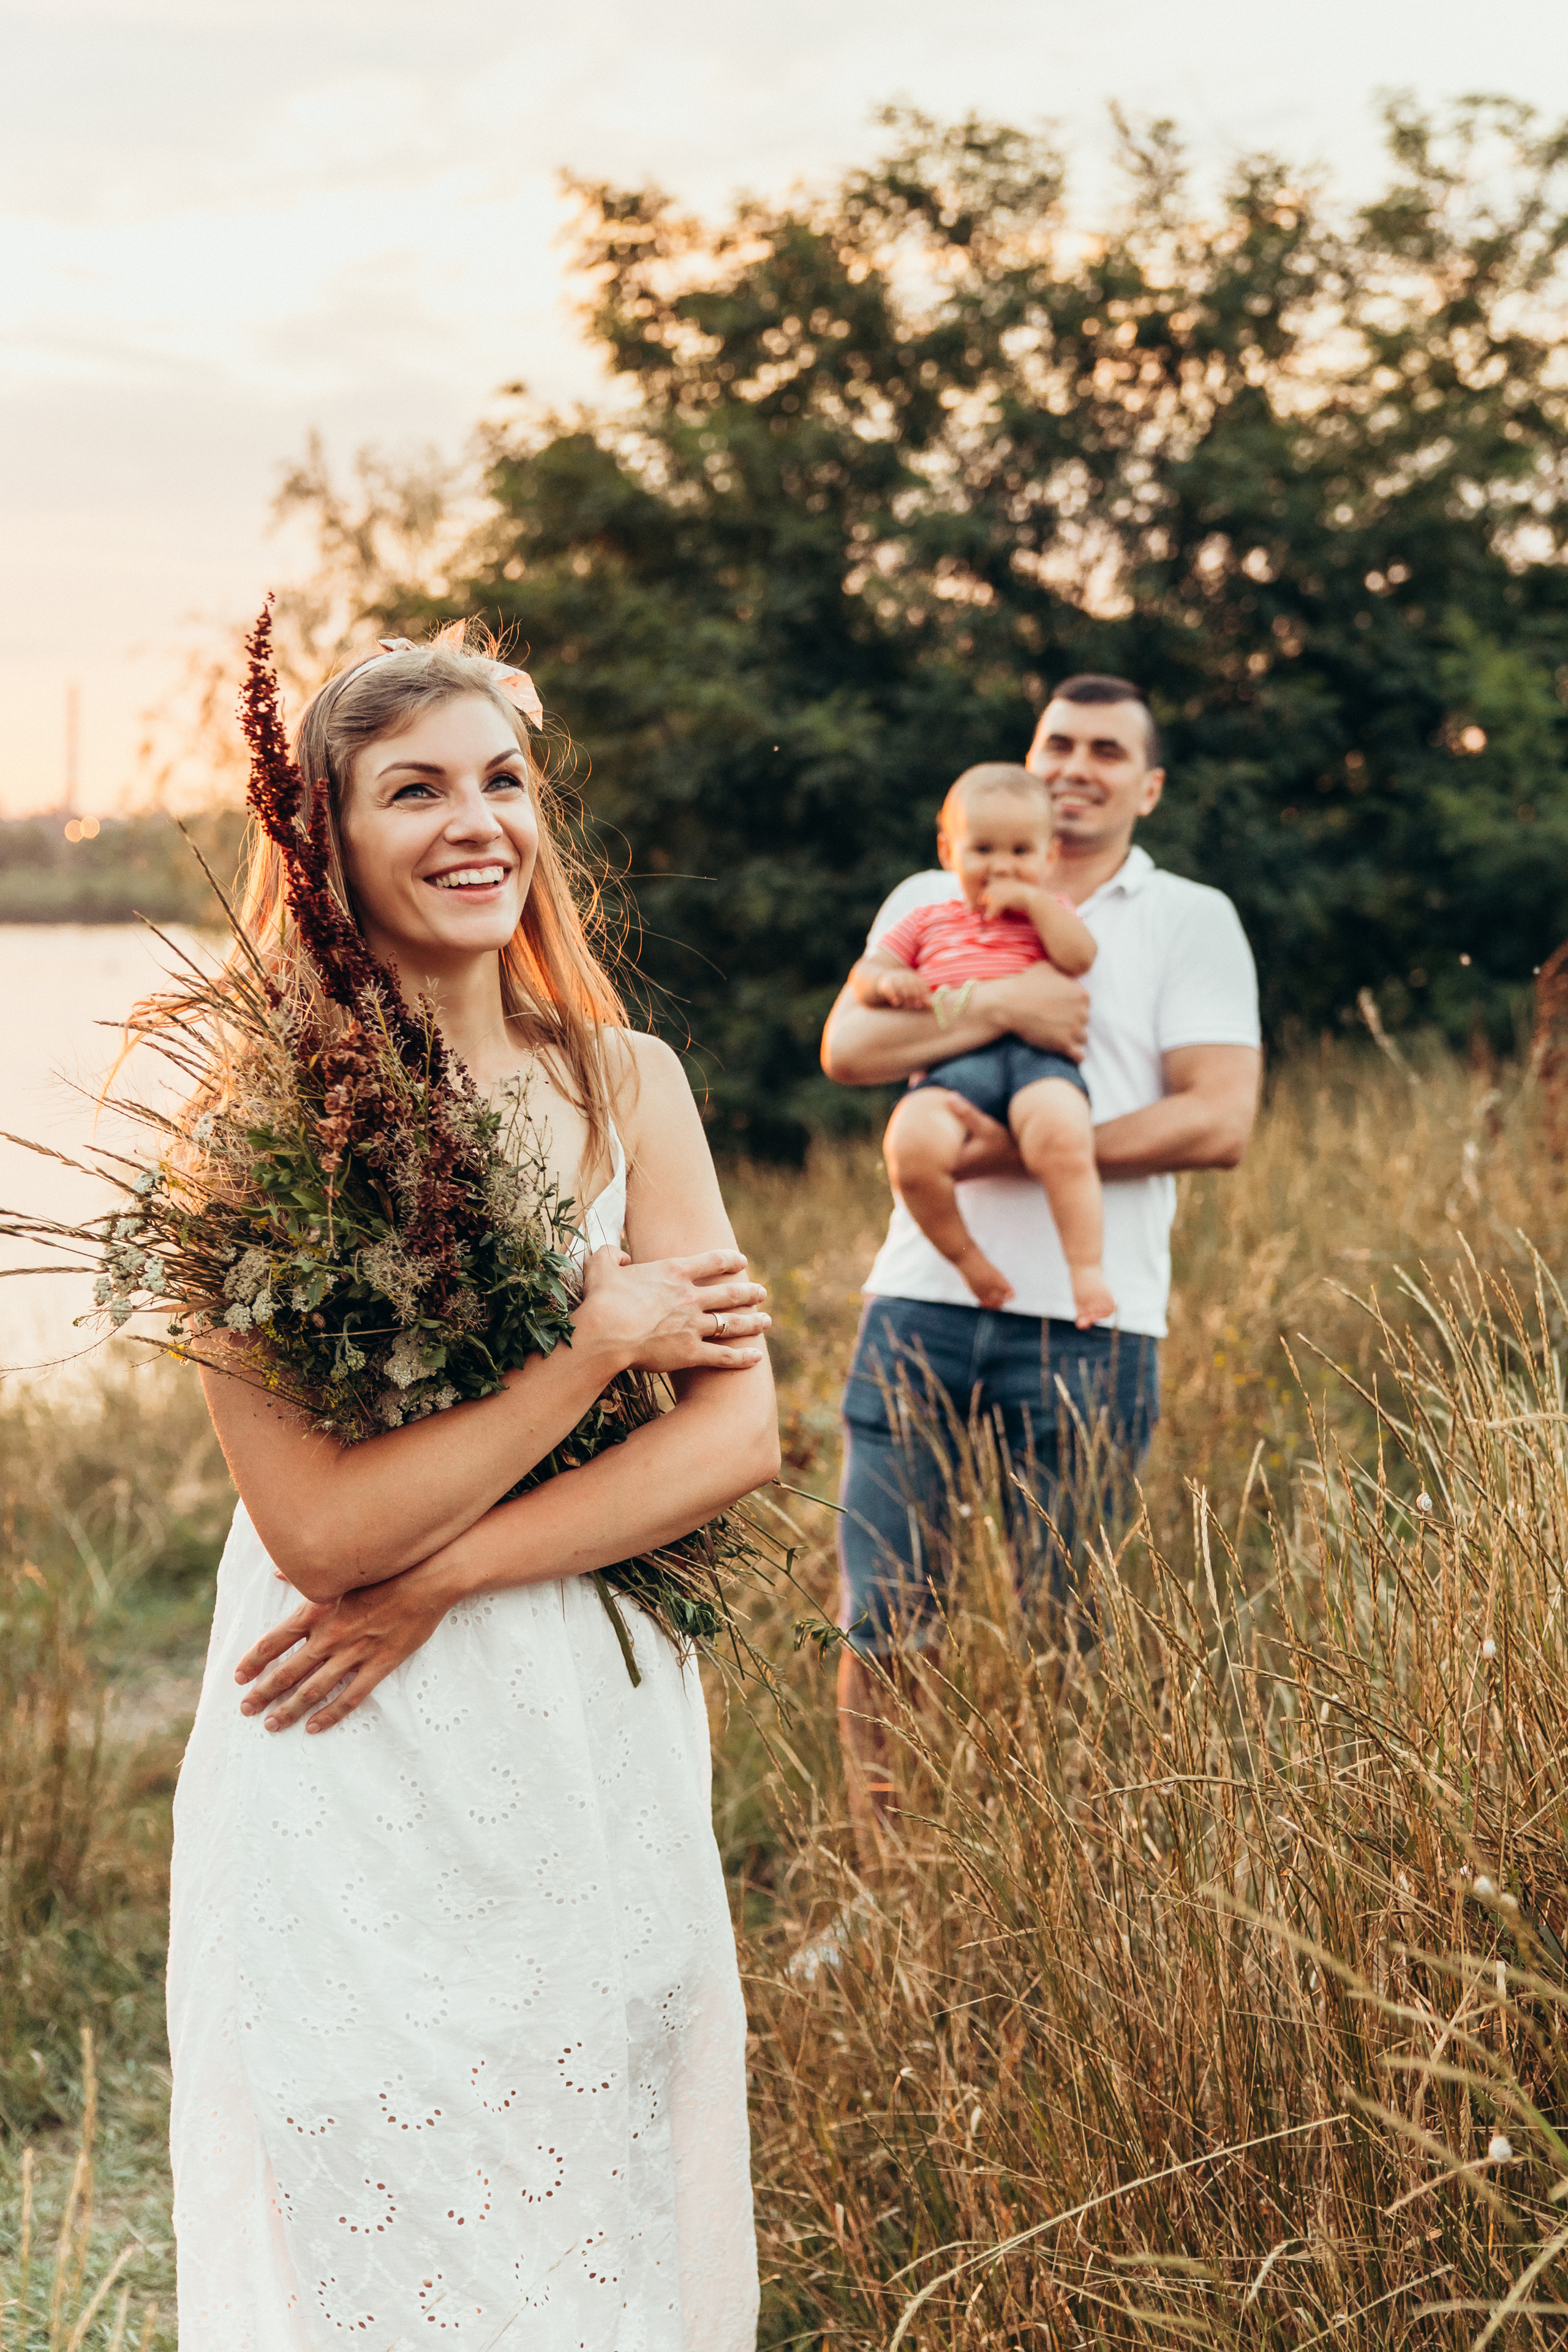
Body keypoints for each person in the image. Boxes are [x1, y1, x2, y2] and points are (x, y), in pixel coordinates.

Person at [166, 631, 775, 2350]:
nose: (476, 822)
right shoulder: (253, 1129)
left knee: (592, 2160)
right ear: (326, 838)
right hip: (344, 1735)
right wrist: (591, 1357)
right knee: (378, 2159)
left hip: (580, 1712)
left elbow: (736, 1439)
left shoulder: (624, 1082)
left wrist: (445, 1579)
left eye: (502, 780)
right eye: (415, 788)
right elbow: (323, 1535)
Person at [820, 674, 1262, 1857]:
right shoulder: (931, 887)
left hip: (1092, 1324)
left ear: (1148, 785)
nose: (1077, 765)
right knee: (885, 1619)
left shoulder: (1188, 918)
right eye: (1058, 741)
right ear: (1027, 758)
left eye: (1108, 751)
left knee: (1073, 1626)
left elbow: (1218, 1120)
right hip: (918, 1301)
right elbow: (850, 1045)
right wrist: (998, 1006)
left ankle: (1070, 1874)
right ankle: (890, 1881)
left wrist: (1020, 1154)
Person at [848, 761, 1112, 1325]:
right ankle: (970, 1262)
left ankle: (1086, 1271)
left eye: (1021, 852)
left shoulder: (1051, 914)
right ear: (949, 853)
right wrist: (889, 981)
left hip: (1038, 1061)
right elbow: (867, 974)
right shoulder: (926, 919)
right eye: (983, 849)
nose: (1002, 866)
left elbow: (1080, 957)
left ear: (1048, 857)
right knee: (911, 1147)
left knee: (1063, 1136)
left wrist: (1038, 904)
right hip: (954, 1063)